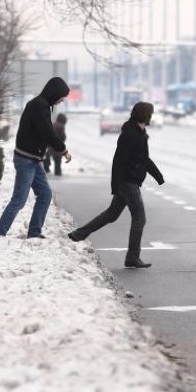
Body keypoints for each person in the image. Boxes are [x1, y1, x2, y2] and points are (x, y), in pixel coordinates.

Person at [67, 102, 164, 269]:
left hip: (129, 181)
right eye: (151, 113)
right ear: (146, 115)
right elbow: (118, 160)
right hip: (127, 182)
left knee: (111, 215)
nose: (152, 116)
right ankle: (132, 258)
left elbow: (144, 159)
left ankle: (79, 234)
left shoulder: (139, 133)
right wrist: (116, 185)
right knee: (139, 218)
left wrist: (158, 176)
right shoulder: (130, 134)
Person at [0, 77, 72, 239]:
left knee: (45, 194)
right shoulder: (39, 106)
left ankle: (34, 232)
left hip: (34, 160)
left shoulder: (43, 105)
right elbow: (47, 133)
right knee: (20, 199)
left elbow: (42, 134)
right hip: (26, 159)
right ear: (55, 93)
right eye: (61, 97)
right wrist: (63, 150)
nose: (61, 101)